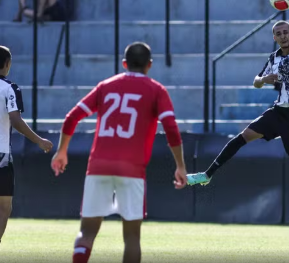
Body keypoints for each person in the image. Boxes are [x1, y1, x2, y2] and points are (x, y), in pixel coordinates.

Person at [185, 21, 289, 246]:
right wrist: (264, 80)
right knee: (243, 136)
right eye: (278, 33)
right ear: (275, 38)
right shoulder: (274, 58)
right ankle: (207, 175)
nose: (283, 35)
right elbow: (256, 80)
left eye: (285, 32)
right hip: (280, 112)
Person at [51, 42, 188, 263]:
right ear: (149, 65)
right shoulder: (156, 90)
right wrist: (180, 166)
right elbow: (171, 128)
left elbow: (71, 117)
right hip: (132, 169)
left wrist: (62, 151)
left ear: (124, 63)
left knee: (86, 233)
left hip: (98, 166)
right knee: (132, 236)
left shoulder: (105, 86)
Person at [0, 46, 53, 263]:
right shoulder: (9, 88)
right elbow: (15, 120)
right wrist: (39, 140)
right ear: (7, 63)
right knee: (3, 209)